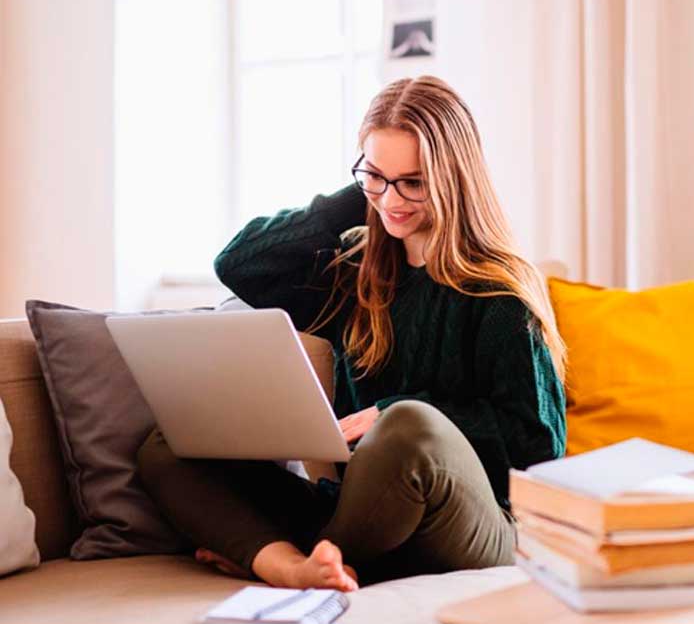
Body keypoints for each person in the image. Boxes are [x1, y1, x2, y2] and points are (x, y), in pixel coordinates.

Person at [136, 76, 567, 591]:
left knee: (408, 426)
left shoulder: (499, 292)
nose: (393, 201)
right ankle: (300, 565)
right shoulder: (353, 274)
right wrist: (361, 193)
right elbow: (240, 263)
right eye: (376, 177)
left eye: (414, 181)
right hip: (362, 510)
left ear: (454, 178)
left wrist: (393, 414)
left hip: (476, 522)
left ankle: (308, 557)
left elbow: (539, 446)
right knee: (169, 445)